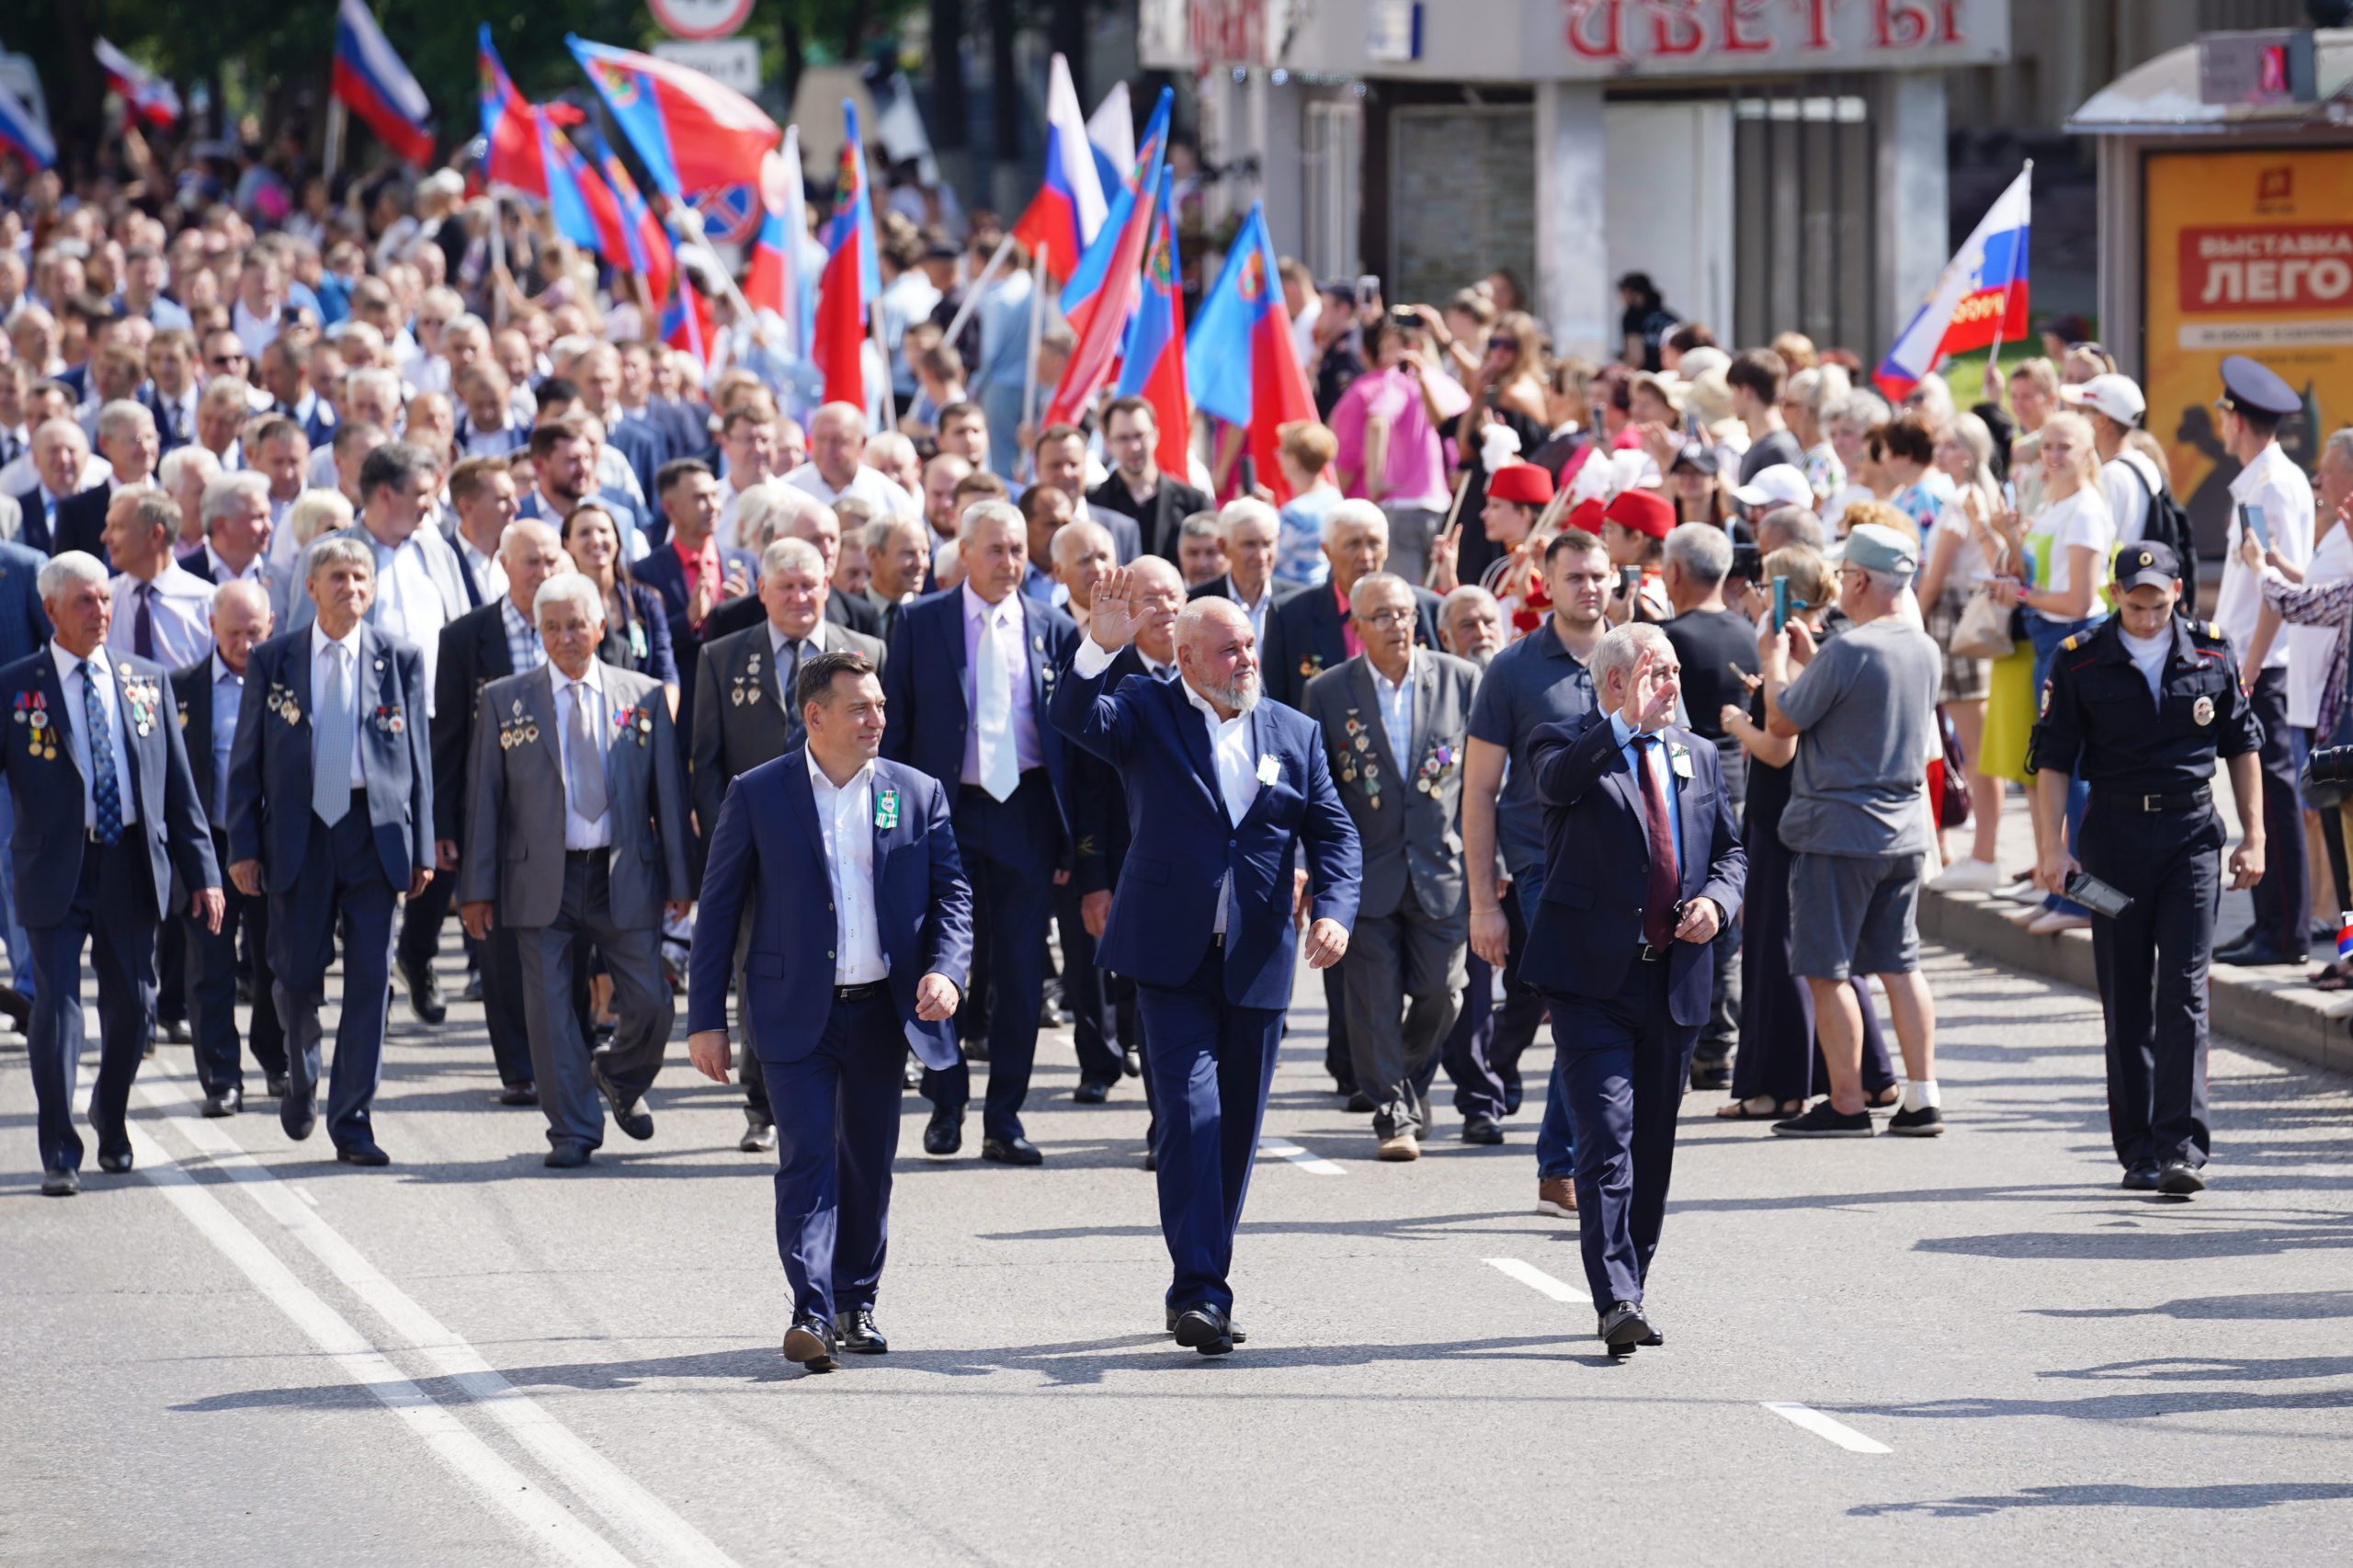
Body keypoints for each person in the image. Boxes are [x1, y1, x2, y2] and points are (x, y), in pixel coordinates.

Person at [1052, 570, 1359, 1355]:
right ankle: (1201, 1290)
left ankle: (1202, 1281)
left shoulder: (1294, 731)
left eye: (1250, 647)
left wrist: (1334, 911)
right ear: (1186, 658)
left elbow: (1335, 833)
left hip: (1257, 957)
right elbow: (1073, 715)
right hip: (1169, 955)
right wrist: (1099, 646)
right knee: (1191, 1116)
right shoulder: (1147, 712)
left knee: (1236, 1134)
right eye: (1228, 651)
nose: (1245, 661)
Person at [687, 649, 972, 1370]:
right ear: (815, 717)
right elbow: (717, 912)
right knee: (808, 1155)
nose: (876, 718)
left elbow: (954, 897)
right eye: (859, 708)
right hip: (790, 1008)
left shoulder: (915, 792)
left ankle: (855, 1301)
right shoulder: (759, 793)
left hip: (882, 1008)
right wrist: (705, 1020)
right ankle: (809, 1311)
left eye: (879, 705)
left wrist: (947, 971)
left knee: (867, 1162)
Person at [1520, 622, 1745, 1352]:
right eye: (1657, 672)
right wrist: (1623, 725)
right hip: (1590, 982)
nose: (1673, 685)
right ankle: (1614, 1296)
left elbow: (1732, 852)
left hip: (1674, 981)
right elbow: (1557, 785)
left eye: (1676, 671)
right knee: (1606, 1138)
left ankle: (1632, 1282)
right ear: (1616, 682)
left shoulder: (1699, 754)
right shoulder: (1563, 741)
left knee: (1653, 1143)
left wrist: (1717, 901)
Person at [2029, 542, 2264, 1199]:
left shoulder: (2214, 654)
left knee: (2185, 990)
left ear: (2179, 592)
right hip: (2111, 843)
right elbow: (2051, 758)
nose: (2148, 617)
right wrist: (2052, 847)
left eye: (2158, 604)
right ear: (2115, 595)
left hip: (2191, 838)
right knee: (2125, 991)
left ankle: (2180, 1148)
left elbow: (2243, 747)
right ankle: (2137, 1150)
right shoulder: (2080, 660)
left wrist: (2255, 836)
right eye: (2135, 605)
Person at [458, 574, 693, 1167]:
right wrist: (477, 889)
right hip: (542, 879)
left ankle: (616, 1075)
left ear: (599, 626)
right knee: (550, 1009)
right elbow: (484, 800)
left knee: (651, 1003)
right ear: (538, 633)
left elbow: (668, 792)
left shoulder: (642, 696)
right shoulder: (504, 700)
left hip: (625, 875)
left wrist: (681, 881)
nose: (566, 637)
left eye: (577, 624)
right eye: (553, 626)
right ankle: (573, 1130)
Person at [6, 553, 222, 1195]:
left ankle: (111, 1112)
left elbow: (180, 790)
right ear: (50, 610)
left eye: (105, 601)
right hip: (54, 869)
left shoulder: (145, 681)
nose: (100, 613)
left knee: (135, 1005)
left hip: (130, 861)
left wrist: (203, 872)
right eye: (84, 602)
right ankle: (59, 1149)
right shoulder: (17, 689)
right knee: (58, 1006)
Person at [881, 499, 1077, 1164]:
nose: (1010, 562)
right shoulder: (920, 623)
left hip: (1024, 813)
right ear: (963, 553)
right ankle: (947, 1102)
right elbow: (896, 735)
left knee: (1022, 974)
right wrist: (891, 830)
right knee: (944, 965)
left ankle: (1004, 1118)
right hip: (946, 813)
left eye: (1019, 549)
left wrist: (1072, 841)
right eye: (995, 550)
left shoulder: (1051, 627)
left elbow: (1068, 742)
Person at [227, 537, 434, 1166]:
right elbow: (247, 759)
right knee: (294, 974)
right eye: (338, 577)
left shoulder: (397, 657)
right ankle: (301, 1065)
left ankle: (353, 1121)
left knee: (371, 981)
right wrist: (242, 843)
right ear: (311, 588)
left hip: (375, 834)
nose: (351, 588)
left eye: (361, 577)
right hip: (301, 831)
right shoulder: (275, 659)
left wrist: (423, 842)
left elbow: (420, 759)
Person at [691, 537, 888, 1149]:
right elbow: (704, 759)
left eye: (811, 586)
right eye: (787, 588)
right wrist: (721, 841)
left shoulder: (868, 651)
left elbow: (888, 747)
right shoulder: (724, 656)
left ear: (827, 587)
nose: (801, 598)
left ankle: (832, 1082)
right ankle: (763, 1100)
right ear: (762, 593)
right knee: (761, 962)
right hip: (758, 839)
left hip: (844, 832)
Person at [1757, 522, 1945, 1139]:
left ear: (1862, 580)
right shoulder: (1921, 646)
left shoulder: (1852, 648)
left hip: (1838, 831)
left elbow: (1784, 720)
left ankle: (1844, 1102)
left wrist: (1773, 663)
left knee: (1826, 968)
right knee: (1900, 963)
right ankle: (1923, 1095)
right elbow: (1853, 705)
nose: (1839, 587)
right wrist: (1810, 664)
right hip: (1903, 829)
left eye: (1845, 577)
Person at [1303, 572, 1481, 1158]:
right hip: (1364, 874)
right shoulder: (1328, 692)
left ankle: (1397, 1080)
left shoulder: (1461, 680)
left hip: (1442, 868)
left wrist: (1492, 862)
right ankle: (1395, 1117)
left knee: (1444, 992)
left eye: (1404, 613)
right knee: (1372, 1001)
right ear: (1358, 627)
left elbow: (1484, 784)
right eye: (1381, 615)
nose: (1397, 625)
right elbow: (1315, 794)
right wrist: (1313, 869)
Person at [1464, 530, 1612, 1214]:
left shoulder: (1642, 655)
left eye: (1600, 575)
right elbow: (1478, 790)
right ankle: (1563, 1165)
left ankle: (1567, 1158)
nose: (1590, 587)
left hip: (1630, 866)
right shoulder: (1514, 670)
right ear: (1546, 584)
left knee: (1601, 1014)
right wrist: (1481, 903)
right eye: (1576, 576)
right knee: (1579, 1008)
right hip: (1542, 871)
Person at [430, 518, 571, 1107]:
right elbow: (449, 741)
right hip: (492, 808)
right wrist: (442, 826)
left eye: (550, 561)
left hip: (563, 810)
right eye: (530, 562)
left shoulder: (574, 623)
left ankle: (567, 1054)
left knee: (564, 938)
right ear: (505, 567)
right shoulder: (466, 637)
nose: (542, 573)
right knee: (499, 941)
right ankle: (518, 1066)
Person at [2211, 357, 2319, 967]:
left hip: (2264, 662)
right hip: (2256, 657)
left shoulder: (2272, 483)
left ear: (2237, 419)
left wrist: (2248, 668)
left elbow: (2273, 586)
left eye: (2226, 414)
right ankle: (2270, 924)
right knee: (2264, 796)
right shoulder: (2264, 478)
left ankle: (2284, 933)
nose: (2222, 424)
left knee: (2270, 799)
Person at [1992, 414, 2119, 935]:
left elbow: (2079, 598)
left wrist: (2020, 594)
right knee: (2056, 768)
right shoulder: (2054, 504)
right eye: (2046, 446)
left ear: (2089, 452)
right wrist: (2004, 538)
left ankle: (2082, 899)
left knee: (2077, 776)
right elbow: (2031, 578)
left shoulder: (2087, 509)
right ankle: (2063, 890)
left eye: (2065, 446)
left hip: (2073, 641)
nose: (2053, 455)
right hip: (2049, 639)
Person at [172, 580, 289, 1117]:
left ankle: (275, 1057)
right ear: (212, 628)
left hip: (274, 845)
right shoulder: (181, 690)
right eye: (234, 632)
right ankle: (221, 1076)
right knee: (210, 967)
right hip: (209, 847)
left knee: (276, 962)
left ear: (271, 627)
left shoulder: (291, 682)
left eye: (255, 632)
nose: (245, 643)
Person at [1655, 522, 1756, 1092]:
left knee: (1691, 910)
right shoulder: (1747, 630)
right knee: (1724, 911)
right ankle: (1719, 1040)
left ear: (1672, 573)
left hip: (1689, 785)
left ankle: (1701, 1038)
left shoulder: (1672, 638)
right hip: (1743, 777)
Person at [1331, 316, 1470, 587]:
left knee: (1402, 593)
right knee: (1436, 592)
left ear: (1413, 347)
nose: (1385, 357)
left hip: (1402, 505)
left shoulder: (1399, 380)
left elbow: (1377, 421)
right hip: (1440, 504)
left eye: (1391, 348)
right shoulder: (1443, 381)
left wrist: (1374, 480)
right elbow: (1462, 426)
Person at [1264, 501, 1441, 710]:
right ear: (1327, 551)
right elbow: (1277, 704)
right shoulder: (1290, 615)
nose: (1365, 556)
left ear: (1386, 548)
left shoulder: (1427, 609)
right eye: (1353, 544)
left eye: (1374, 543)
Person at [104, 486, 217, 669]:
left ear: (156, 534)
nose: (105, 537)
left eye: (117, 527)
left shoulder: (207, 602)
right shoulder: (103, 600)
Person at [1087, 397, 1211, 563]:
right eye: (1123, 438)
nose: (1134, 447)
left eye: (1140, 436)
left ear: (1155, 436)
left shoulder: (1193, 502)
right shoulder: (1092, 503)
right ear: (1109, 443)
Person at [1187, 497, 1302, 642]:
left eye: (1267, 543)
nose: (1261, 556)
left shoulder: (1300, 601)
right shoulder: (1195, 604)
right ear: (1223, 547)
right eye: (1250, 544)